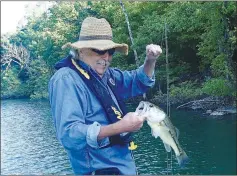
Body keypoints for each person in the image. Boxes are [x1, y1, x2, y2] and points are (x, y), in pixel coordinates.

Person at [48, 17, 162, 175]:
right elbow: (69, 134)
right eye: (100, 50)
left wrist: (150, 60)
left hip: (123, 168)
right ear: (81, 50)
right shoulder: (66, 80)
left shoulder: (108, 75)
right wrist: (120, 127)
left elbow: (139, 81)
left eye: (110, 51)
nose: (106, 57)